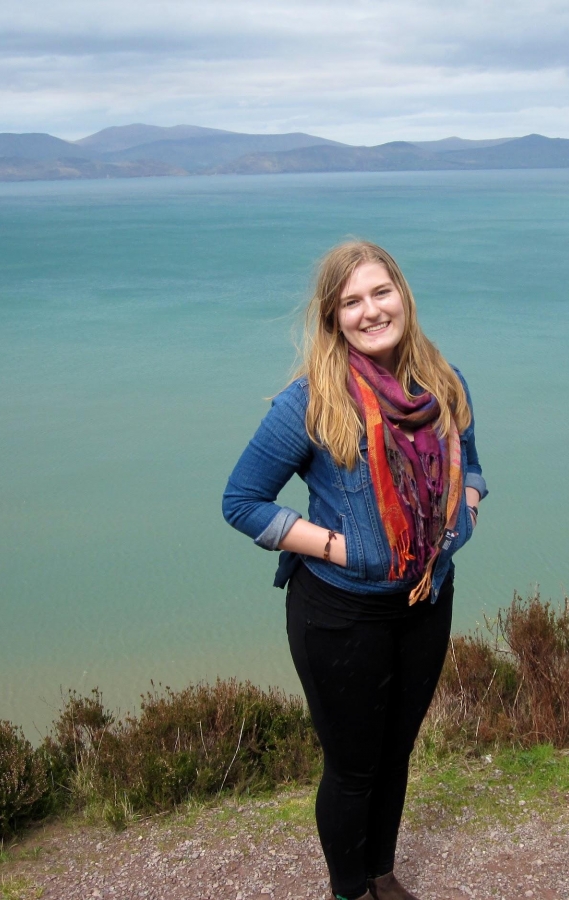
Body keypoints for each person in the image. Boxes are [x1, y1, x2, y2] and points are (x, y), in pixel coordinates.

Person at [222, 240, 487, 900]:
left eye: (380, 292)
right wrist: (343, 548)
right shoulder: (309, 404)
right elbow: (242, 503)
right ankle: (348, 890)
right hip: (338, 615)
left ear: (403, 294)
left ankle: (380, 873)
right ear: (332, 317)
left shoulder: (443, 384)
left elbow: (473, 466)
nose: (371, 311)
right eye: (351, 301)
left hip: (426, 601)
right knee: (353, 768)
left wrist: (464, 517)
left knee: (396, 753)